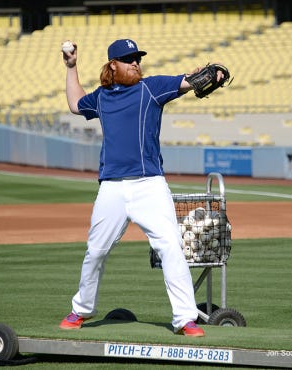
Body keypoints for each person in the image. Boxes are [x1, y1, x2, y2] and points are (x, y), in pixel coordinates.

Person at [59, 38, 224, 337]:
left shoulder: (151, 87)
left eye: (137, 58)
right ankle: (80, 310)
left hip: (150, 184)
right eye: (128, 58)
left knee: (171, 246)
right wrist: (71, 68)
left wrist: (209, 76)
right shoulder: (102, 97)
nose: (135, 62)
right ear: (113, 64)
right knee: (95, 251)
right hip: (111, 186)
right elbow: (74, 104)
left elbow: (186, 81)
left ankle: (185, 319)